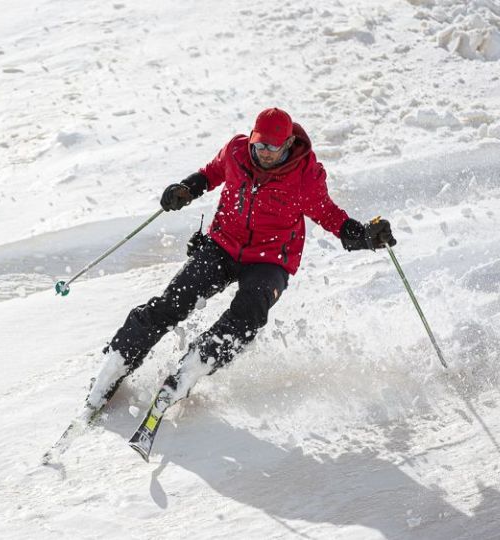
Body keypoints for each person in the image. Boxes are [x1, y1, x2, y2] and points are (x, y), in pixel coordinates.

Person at [82, 107, 397, 418]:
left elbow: (329, 214)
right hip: (222, 246)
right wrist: (185, 190)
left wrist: (364, 236)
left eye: (272, 147)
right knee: (173, 301)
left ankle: (195, 365)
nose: (264, 152)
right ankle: (117, 362)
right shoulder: (236, 152)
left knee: (248, 314)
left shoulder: (305, 177)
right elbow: (211, 173)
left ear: (288, 144)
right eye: (259, 144)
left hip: (270, 260)